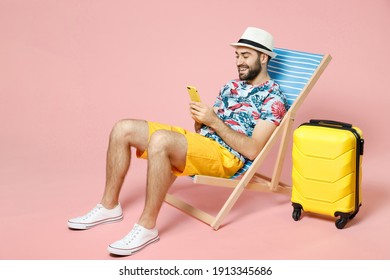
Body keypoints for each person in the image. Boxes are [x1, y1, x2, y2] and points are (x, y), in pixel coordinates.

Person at [68, 27, 288, 256]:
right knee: (123, 128)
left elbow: (253, 150)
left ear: (263, 58)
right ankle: (108, 206)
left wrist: (213, 120)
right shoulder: (230, 86)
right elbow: (207, 128)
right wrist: (201, 120)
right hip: (203, 142)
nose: (239, 61)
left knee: (161, 140)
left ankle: (146, 227)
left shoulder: (274, 98)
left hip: (227, 157)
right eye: (237, 55)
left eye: (245, 56)